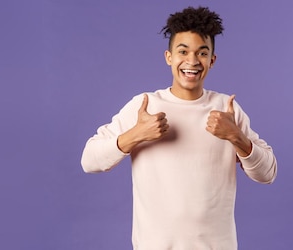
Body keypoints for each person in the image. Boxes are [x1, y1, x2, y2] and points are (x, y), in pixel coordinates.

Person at [81, 6, 277, 249]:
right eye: (183, 51)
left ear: (212, 60)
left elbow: (268, 173)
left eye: (202, 53)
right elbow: (89, 161)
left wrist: (237, 137)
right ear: (169, 57)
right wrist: (135, 135)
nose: (192, 61)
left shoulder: (227, 110)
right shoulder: (145, 106)